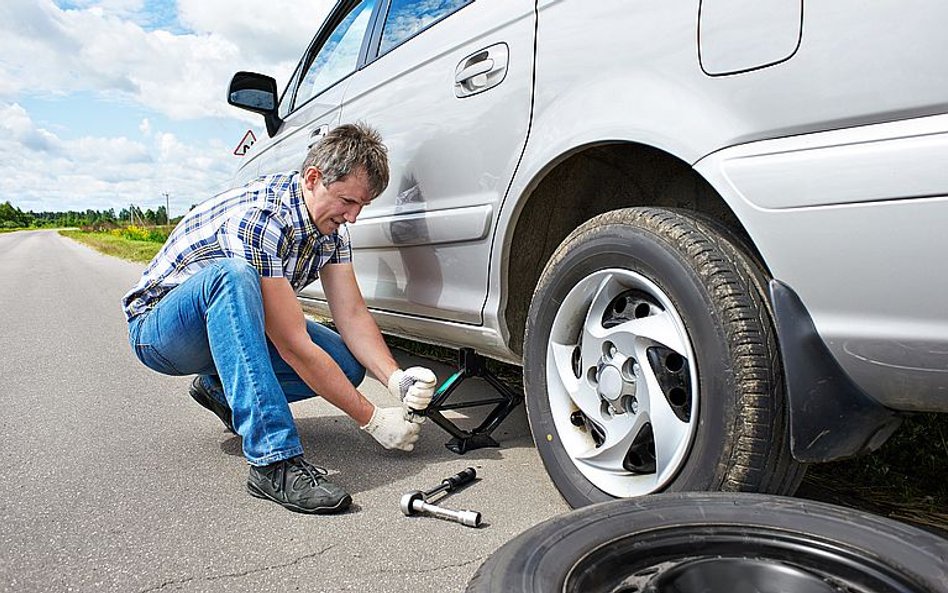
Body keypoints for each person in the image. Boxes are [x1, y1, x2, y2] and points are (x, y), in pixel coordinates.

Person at [122, 123, 437, 515]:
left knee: (347, 364)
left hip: (224, 329)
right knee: (233, 277)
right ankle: (273, 461)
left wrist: (395, 378)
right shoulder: (261, 218)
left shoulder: (331, 231)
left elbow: (352, 314)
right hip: (162, 332)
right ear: (313, 178)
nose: (353, 217)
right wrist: (371, 418)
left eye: (362, 206)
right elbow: (292, 344)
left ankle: (219, 389)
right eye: (348, 202)